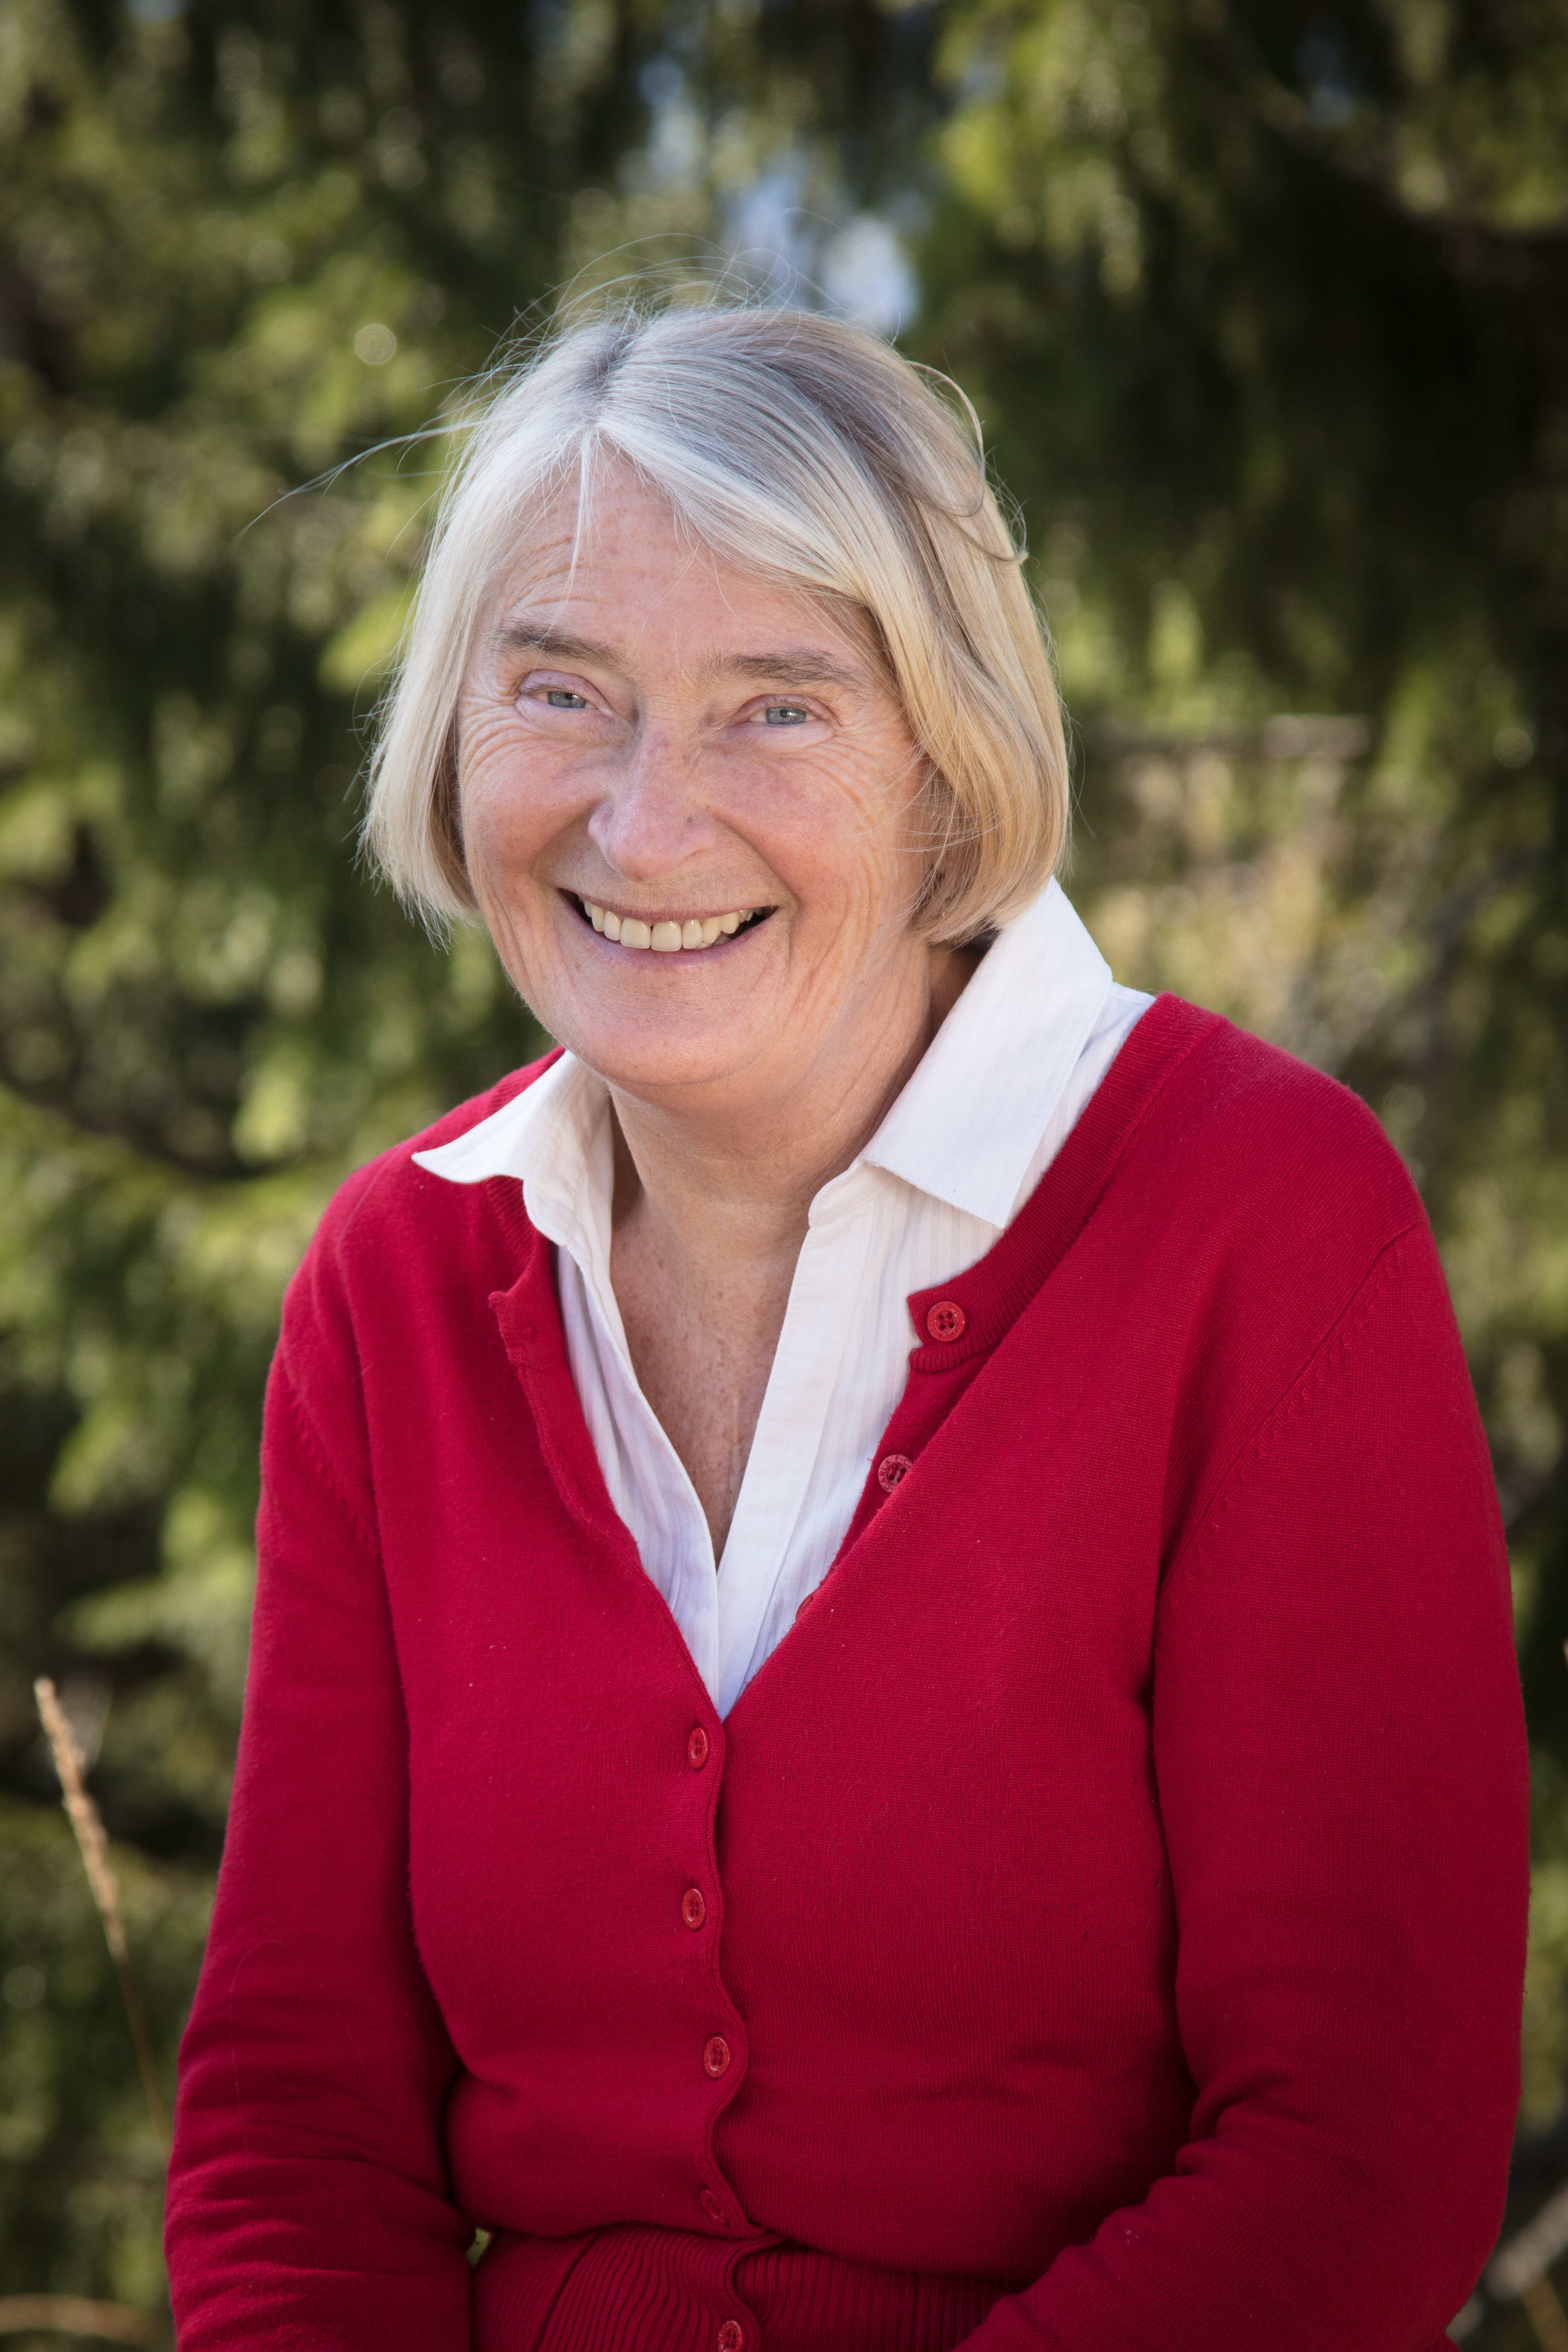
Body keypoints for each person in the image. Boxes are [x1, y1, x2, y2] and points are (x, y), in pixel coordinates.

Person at [163, 301, 1528, 2352]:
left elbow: (1358, 2155)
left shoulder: (1261, 1223)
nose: (640, 820)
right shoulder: (397, 1286)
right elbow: (296, 2130)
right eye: (561, 692)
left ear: (946, 763)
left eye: (773, 708)